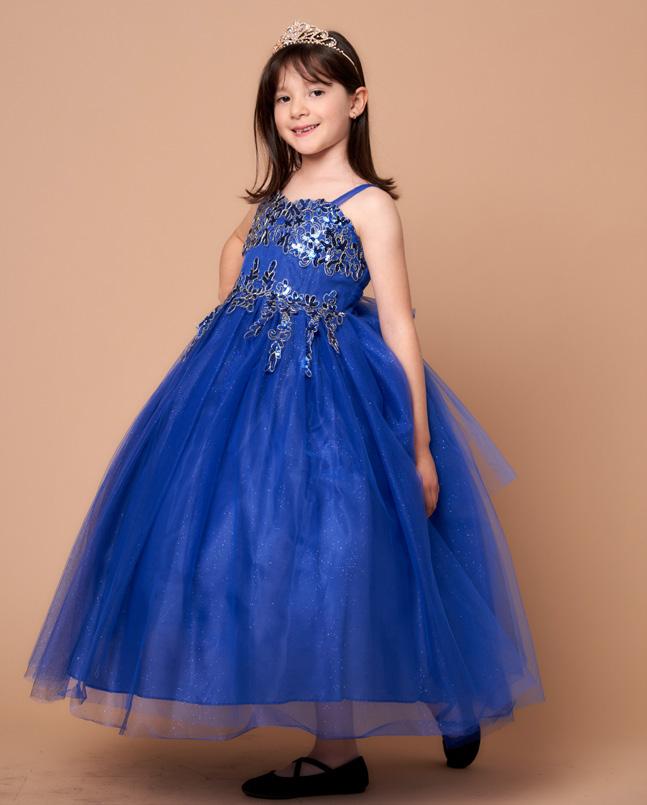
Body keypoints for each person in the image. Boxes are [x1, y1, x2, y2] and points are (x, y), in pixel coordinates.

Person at [24, 18, 545, 800]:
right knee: (268, 550)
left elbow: (399, 322)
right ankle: (343, 749)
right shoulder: (273, 198)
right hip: (248, 392)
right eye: (281, 97)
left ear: (356, 101)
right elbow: (235, 250)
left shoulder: (370, 206)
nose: (297, 109)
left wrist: (419, 445)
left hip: (336, 399)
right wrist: (237, 314)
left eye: (315, 91)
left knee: (357, 550)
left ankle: (445, 699)